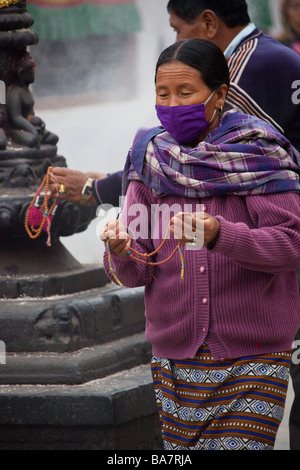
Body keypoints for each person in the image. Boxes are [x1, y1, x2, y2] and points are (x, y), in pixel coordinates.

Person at [100, 38, 300, 451]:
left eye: (185, 93)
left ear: (219, 95)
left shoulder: (259, 154)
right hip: (175, 358)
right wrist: (120, 251)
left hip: (254, 354)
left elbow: (291, 245)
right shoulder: (149, 159)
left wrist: (219, 236)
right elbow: (138, 269)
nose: (172, 104)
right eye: (162, 93)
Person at [49, 0, 300, 206]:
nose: (177, 40)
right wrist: (119, 177)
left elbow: (201, 162)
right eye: (164, 93)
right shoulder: (261, 52)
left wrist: (97, 188)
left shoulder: (248, 65)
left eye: (177, 29)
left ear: (209, 23)